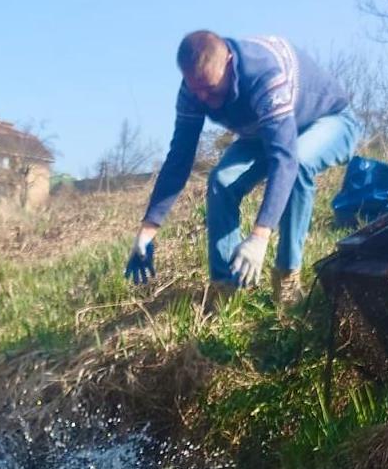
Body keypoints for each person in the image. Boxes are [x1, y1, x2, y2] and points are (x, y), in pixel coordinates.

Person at [125, 31, 359, 306]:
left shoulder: (264, 74)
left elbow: (285, 159)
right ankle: (225, 286)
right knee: (221, 181)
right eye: (196, 89)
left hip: (329, 121)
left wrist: (260, 236)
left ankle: (287, 277)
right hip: (265, 132)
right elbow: (179, 157)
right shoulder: (193, 90)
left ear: (228, 62)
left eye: (210, 89)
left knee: (300, 164)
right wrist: (148, 229)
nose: (203, 97)